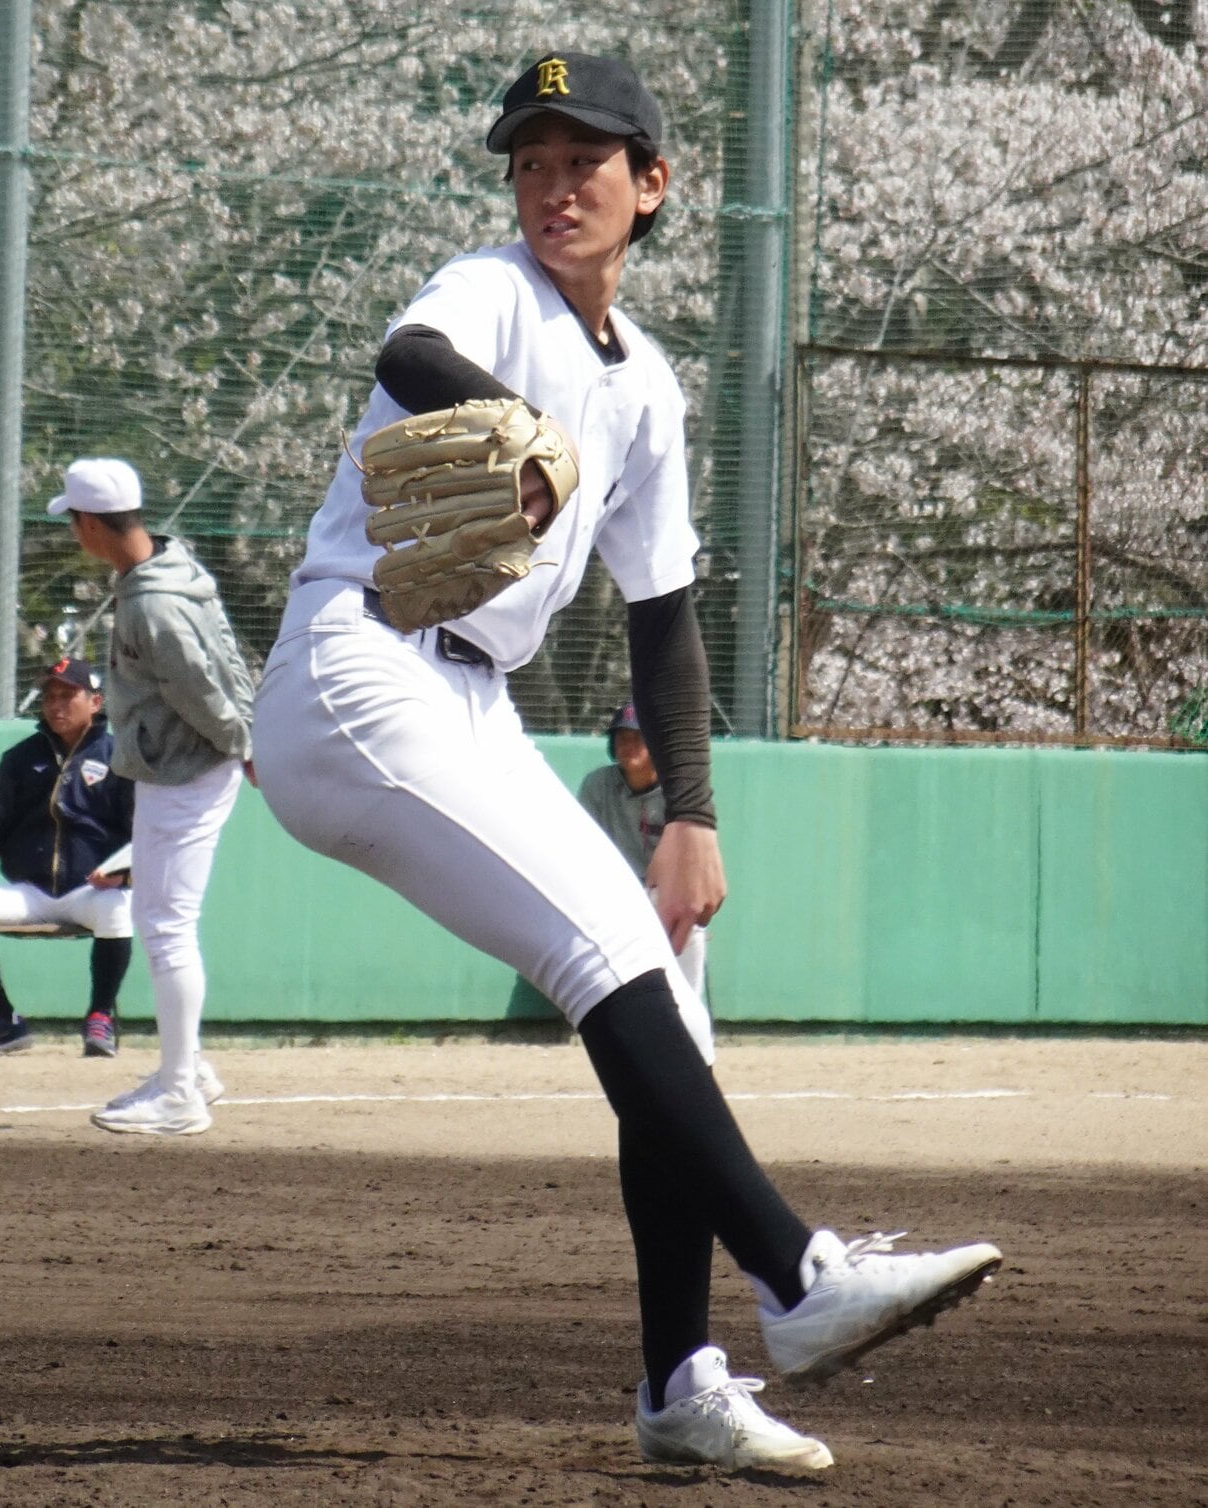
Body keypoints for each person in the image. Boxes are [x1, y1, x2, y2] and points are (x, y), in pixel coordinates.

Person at [251, 52, 1002, 1473]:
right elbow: (406, 359)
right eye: (531, 163)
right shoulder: (491, 292)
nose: (551, 188)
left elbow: (665, 623)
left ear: (651, 186)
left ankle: (681, 1389)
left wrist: (690, 816)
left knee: (665, 1013)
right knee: (605, 964)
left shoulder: (647, 388)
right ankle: (798, 1275)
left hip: (472, 705)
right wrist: (516, 428)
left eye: (584, 162)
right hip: (358, 668)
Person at [49, 456, 254, 1135]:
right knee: (166, 923)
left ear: (88, 523)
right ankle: (187, 1069)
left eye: (72, 520)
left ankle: (179, 1093)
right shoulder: (173, 565)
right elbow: (222, 654)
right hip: (191, 764)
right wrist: (245, 736)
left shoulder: (151, 601)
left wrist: (244, 742)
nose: (71, 533)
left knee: (166, 928)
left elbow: (197, 684)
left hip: (185, 771)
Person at [0, 655, 136, 1057]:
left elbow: (143, 833)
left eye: (69, 695)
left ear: (95, 702)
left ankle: (100, 1018)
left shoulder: (120, 758)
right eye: (50, 696)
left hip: (91, 891)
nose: (57, 705)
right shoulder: (20, 758)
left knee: (118, 906)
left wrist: (124, 874)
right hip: (30, 891)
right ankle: (3, 1019)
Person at [578, 702, 706, 1004]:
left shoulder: (677, 791)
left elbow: (691, 861)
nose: (628, 745)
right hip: (614, 891)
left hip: (662, 892)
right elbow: (584, 852)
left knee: (690, 925)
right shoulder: (598, 785)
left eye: (638, 737)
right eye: (621, 737)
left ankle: (689, 1016)